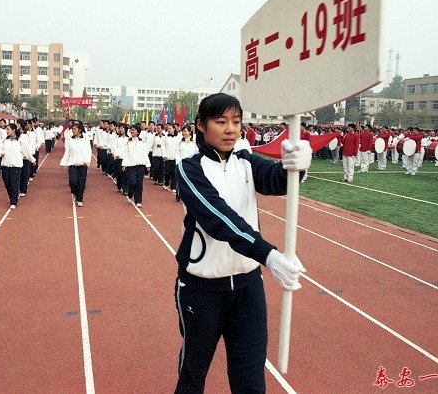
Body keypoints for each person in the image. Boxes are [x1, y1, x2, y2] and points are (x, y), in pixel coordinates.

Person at [173, 93, 310, 393]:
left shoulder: (246, 161)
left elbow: (276, 179)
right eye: (221, 122)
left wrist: (295, 166)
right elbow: (219, 219)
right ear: (201, 125)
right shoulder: (189, 169)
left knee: (250, 379)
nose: (230, 130)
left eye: (236, 122)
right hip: (202, 289)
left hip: (248, 288)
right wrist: (268, 255)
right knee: (193, 373)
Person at [0, 123, 35, 209]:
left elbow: (26, 152)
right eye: (6, 129)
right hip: (5, 165)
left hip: (16, 166)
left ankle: (13, 201)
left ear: (14, 130)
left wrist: (32, 160)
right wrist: (0, 153)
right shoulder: (4, 140)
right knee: (7, 183)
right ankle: (12, 197)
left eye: (8, 129)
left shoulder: (20, 141)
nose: (6, 131)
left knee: (14, 183)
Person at [59, 121, 92, 207]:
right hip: (72, 163)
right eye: (72, 129)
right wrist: (63, 162)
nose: (73, 131)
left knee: (82, 182)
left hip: (83, 164)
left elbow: (89, 150)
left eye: (75, 129)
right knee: (73, 181)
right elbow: (67, 151)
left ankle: (79, 199)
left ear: (79, 130)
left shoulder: (85, 139)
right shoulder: (70, 139)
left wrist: (86, 161)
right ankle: (74, 192)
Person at [121, 123, 150, 207]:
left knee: (139, 184)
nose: (131, 131)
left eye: (133, 130)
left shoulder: (142, 142)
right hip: (131, 165)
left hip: (141, 165)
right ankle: (130, 193)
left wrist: (148, 164)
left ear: (138, 132)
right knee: (133, 182)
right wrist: (124, 164)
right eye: (131, 130)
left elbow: (145, 154)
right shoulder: (128, 142)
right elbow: (126, 153)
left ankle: (138, 201)